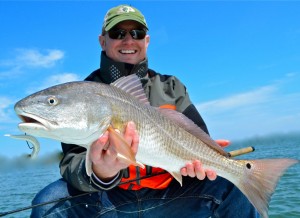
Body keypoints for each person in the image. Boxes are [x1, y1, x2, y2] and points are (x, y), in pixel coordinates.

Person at [31, 5, 259, 218]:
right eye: (118, 33)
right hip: (107, 200)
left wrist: (208, 154)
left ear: (147, 40)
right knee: (47, 203)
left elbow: (198, 134)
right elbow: (72, 163)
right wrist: (101, 173)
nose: (129, 40)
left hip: (173, 194)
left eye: (137, 33)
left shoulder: (171, 87)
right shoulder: (85, 93)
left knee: (233, 185)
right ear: (102, 41)